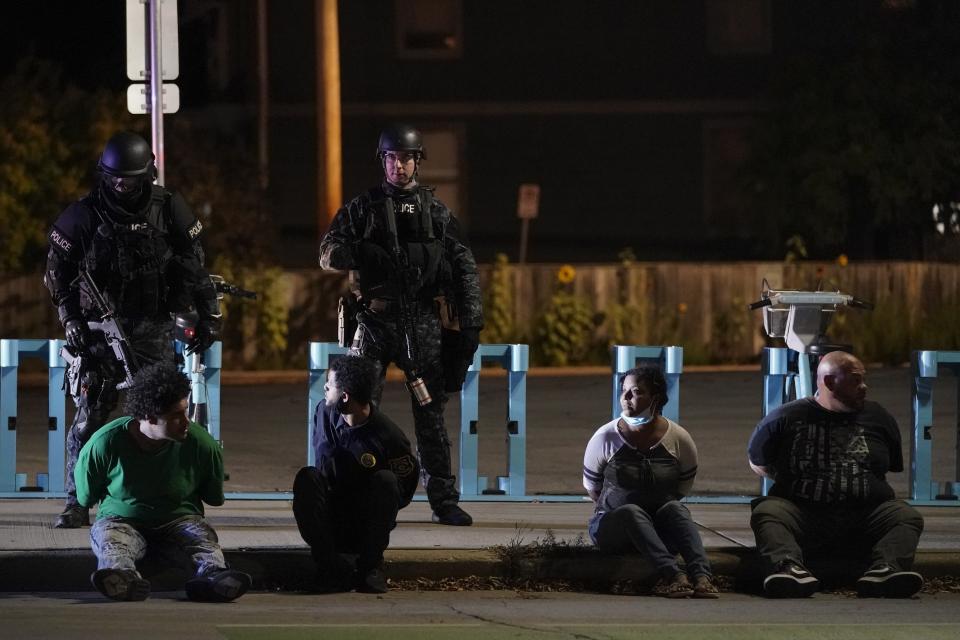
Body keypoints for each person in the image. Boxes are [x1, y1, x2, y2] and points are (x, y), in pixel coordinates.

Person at [45, 131, 221, 529]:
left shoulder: (169, 208)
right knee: (90, 418)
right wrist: (71, 320)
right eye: (115, 179)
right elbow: (57, 272)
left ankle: (169, 494)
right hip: (96, 333)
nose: (122, 187)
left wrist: (209, 315)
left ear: (148, 175)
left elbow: (194, 265)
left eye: (131, 179)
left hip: (152, 329)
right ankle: (77, 501)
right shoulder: (84, 214)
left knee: (162, 417)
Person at [318, 124, 483, 526]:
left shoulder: (437, 212)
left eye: (406, 158)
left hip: (422, 323)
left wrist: (471, 323)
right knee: (353, 406)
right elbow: (327, 254)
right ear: (383, 161)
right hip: (373, 322)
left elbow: (463, 268)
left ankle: (443, 498)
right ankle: (346, 488)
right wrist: (362, 253)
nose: (398, 165)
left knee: (430, 414)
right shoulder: (363, 207)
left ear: (417, 161)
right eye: (391, 158)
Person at [748, 351, 924, 598]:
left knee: (906, 516)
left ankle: (886, 569)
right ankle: (788, 569)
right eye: (855, 380)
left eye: (863, 379)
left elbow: (888, 465)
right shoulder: (786, 417)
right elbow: (759, 463)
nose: (864, 386)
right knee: (767, 512)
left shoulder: (878, 417)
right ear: (829, 382)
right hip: (805, 516)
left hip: (865, 516)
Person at [76, 362, 250, 602]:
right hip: (122, 520)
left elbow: (214, 499)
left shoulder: (202, 444)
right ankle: (121, 577)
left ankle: (213, 577)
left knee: (202, 541)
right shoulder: (104, 443)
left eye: (185, 412)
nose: (186, 422)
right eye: (176, 416)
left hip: (179, 520)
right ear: (148, 416)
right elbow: (84, 497)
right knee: (112, 540)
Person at [582, 366, 719, 598]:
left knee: (676, 508)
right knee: (631, 512)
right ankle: (672, 576)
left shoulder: (679, 438)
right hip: (614, 528)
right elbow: (592, 488)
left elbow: (682, 488)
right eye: (623, 390)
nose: (626, 398)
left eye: (635, 392)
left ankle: (702, 577)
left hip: (659, 529)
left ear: (655, 398)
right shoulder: (605, 437)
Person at [293, 356, 419, 593]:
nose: (325, 387)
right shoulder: (324, 412)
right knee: (307, 477)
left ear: (345, 396)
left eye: (330, 384)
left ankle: (369, 568)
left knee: (386, 481)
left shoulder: (389, 437)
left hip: (367, 524)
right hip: (330, 518)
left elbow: (402, 491)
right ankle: (330, 569)